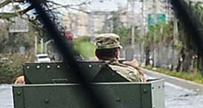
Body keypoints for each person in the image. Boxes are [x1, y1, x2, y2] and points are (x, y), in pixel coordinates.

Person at [12, 33, 146, 84]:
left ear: (97, 53)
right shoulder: (129, 74)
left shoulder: (80, 72)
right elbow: (142, 87)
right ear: (117, 53)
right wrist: (136, 68)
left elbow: (22, 81)